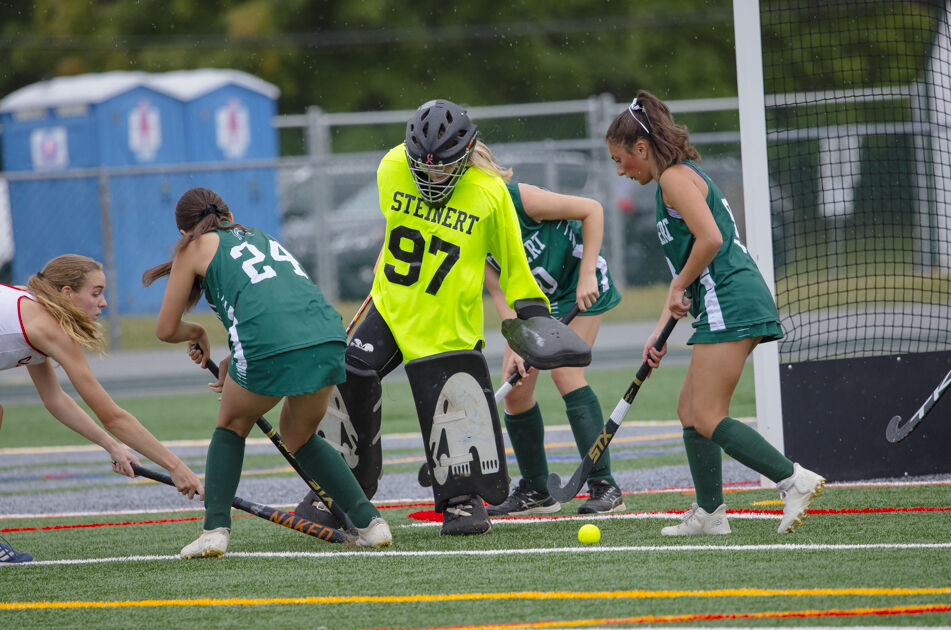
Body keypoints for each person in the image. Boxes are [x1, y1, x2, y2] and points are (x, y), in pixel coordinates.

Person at [295, 99, 555, 537]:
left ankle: (463, 499)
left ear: (466, 155)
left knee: (449, 401)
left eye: (444, 167)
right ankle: (341, 491)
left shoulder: (489, 193)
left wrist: (531, 321)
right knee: (348, 375)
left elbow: (513, 266)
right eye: (424, 165)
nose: (432, 176)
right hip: (392, 306)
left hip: (446, 322)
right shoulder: (392, 167)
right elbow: (398, 230)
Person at [605, 90, 825, 535]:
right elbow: (688, 270)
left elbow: (710, 240)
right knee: (690, 410)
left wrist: (680, 285)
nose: (620, 170)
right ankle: (709, 513)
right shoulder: (672, 182)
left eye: (619, 159)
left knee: (706, 415)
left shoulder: (674, 179)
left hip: (731, 297)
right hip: (724, 299)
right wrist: (658, 331)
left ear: (641, 148)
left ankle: (793, 480)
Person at [142, 187, 392, 558]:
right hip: (326, 335)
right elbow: (275, 304)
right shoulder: (259, 236)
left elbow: (165, 329)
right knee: (299, 435)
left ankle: (214, 531)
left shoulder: (192, 247)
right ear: (228, 215)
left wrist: (196, 332)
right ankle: (370, 523)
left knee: (232, 425)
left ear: (183, 231)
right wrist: (235, 355)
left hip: (269, 345)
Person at [1, 254, 204, 563]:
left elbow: (55, 399)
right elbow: (113, 416)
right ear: (67, 293)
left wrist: (112, 446)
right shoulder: (47, 326)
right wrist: (175, 467)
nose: (104, 303)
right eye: (96, 293)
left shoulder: (41, 312)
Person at [482, 178, 624, 516]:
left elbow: (592, 210)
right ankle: (536, 489)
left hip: (578, 285)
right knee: (516, 390)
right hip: (535, 300)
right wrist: (517, 342)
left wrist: (587, 273)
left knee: (565, 373)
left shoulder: (522, 199)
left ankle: (605, 485)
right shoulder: (468, 227)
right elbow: (499, 290)